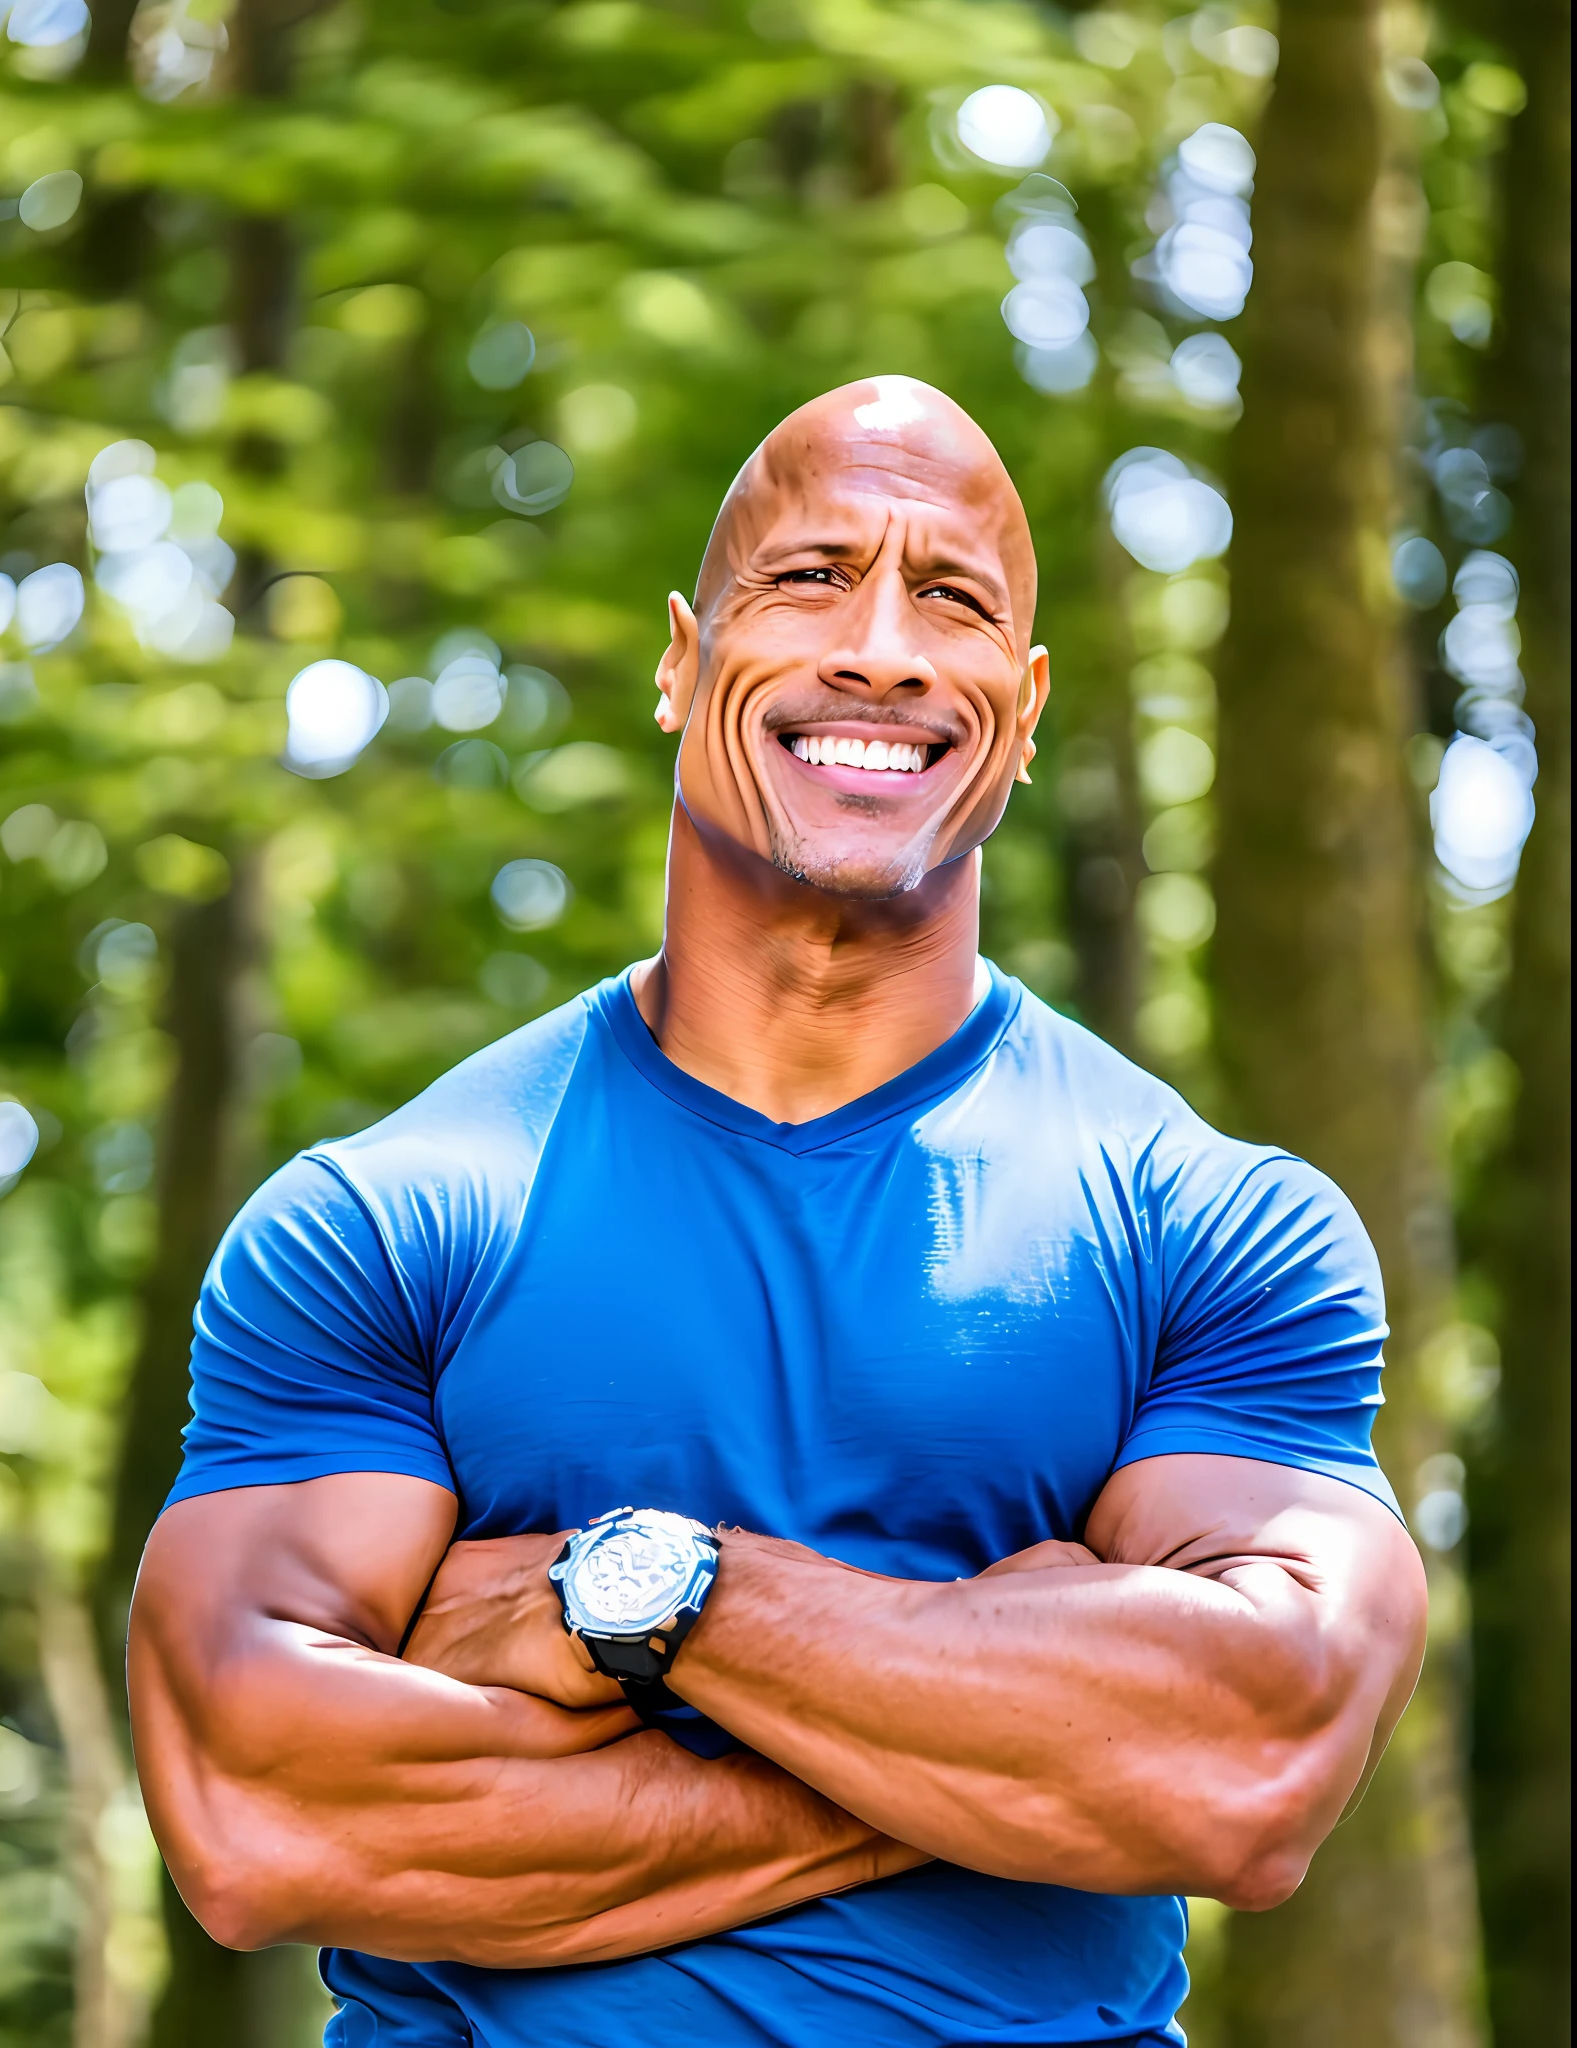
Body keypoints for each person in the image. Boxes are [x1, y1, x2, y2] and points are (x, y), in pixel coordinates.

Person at [129, 376, 1427, 2048]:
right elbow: (258, 1823)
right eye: (812, 577)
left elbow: (1248, 1770)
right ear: (683, 660)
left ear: (1021, 713)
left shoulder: (1221, 1230)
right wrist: (1026, 1746)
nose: (882, 647)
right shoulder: (381, 1222)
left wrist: (646, 1597)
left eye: (950, 597)